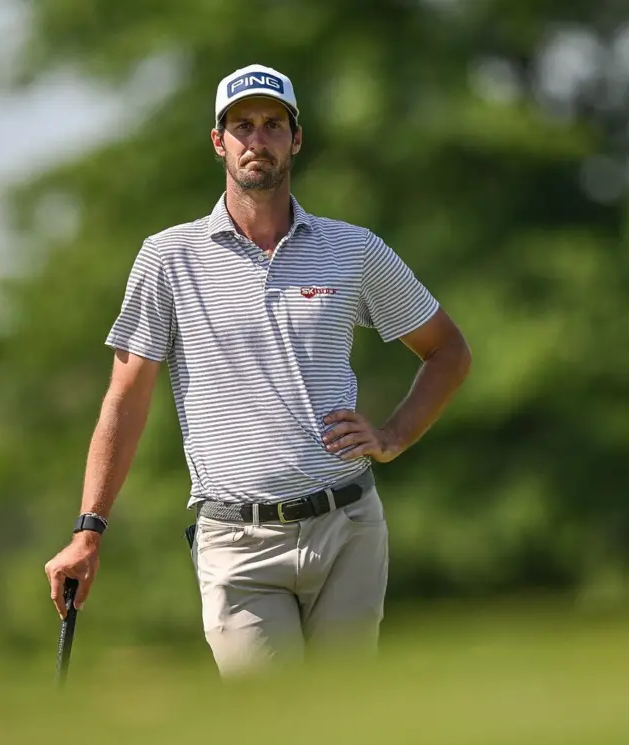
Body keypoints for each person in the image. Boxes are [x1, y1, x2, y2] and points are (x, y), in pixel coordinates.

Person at [43, 64, 472, 677]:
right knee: (275, 726)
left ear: (296, 140)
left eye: (274, 124)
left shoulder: (351, 249)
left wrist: (394, 435)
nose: (258, 138)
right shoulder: (169, 258)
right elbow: (126, 398)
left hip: (348, 528)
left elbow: (448, 351)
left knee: (345, 732)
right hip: (236, 545)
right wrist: (89, 530)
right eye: (242, 125)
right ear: (219, 142)